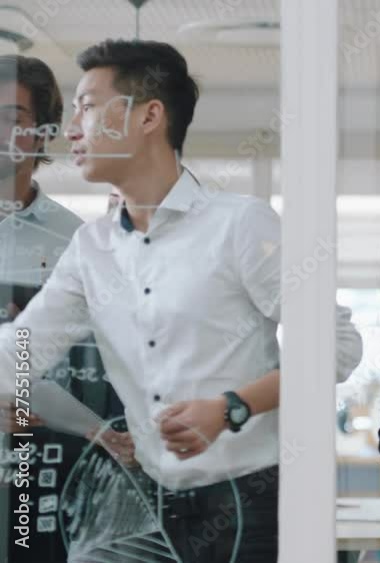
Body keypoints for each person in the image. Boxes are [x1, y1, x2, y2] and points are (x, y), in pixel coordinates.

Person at [0, 40, 282, 562]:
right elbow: (21, 350)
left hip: (249, 503)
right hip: (147, 505)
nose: (70, 129)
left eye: (87, 106)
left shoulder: (240, 225)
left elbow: (334, 349)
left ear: (149, 115)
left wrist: (230, 408)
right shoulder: (93, 247)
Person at [0, 53, 129, 563]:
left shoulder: (77, 242)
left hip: (43, 483)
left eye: (14, 118)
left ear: (45, 131)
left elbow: (108, 364)